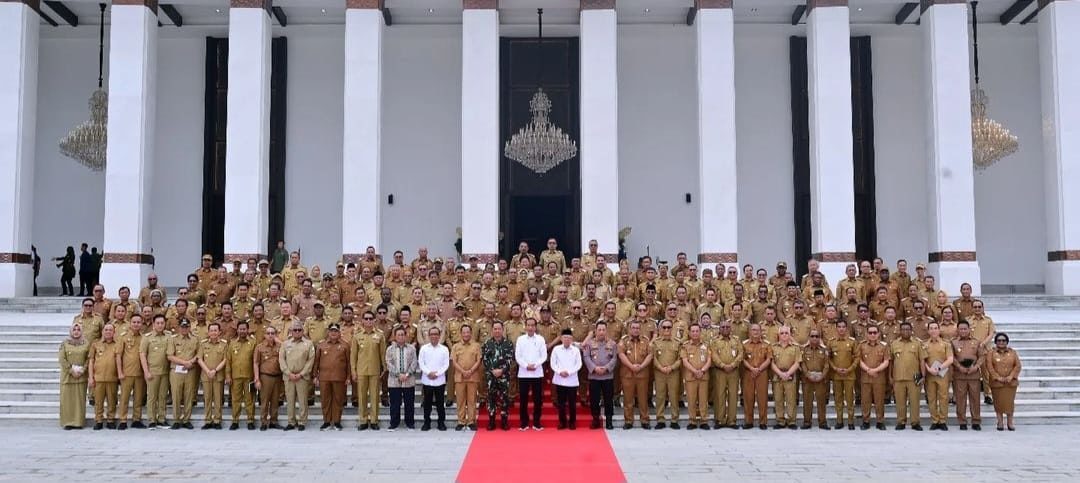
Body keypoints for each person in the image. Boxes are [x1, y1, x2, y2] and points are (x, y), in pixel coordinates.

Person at [351, 310, 386, 430]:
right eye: (366, 319)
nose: (368, 321)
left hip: (375, 370)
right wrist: (353, 371)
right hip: (361, 370)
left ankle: (374, 420)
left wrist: (384, 368)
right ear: (362, 321)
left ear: (374, 320)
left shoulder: (380, 335)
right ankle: (363, 420)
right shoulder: (357, 336)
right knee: (362, 396)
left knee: (375, 396)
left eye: (371, 318)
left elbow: (382, 354)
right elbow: (353, 356)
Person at [890, 321, 927, 430]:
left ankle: (915, 422)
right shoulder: (894, 344)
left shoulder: (917, 343)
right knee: (900, 402)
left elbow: (922, 361)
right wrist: (890, 376)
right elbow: (891, 362)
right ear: (900, 331)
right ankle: (901, 422)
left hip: (914, 378)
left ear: (911, 331)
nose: (905, 331)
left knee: (914, 402)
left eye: (908, 329)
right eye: (903, 329)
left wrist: (923, 376)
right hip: (898, 377)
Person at [952, 320, 988, 430]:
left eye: (965, 329)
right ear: (957, 330)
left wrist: (976, 367)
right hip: (959, 374)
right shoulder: (953, 342)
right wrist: (959, 367)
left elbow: (982, 356)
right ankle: (962, 421)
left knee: (975, 399)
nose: (963, 331)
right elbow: (951, 357)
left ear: (969, 329)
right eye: (961, 329)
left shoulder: (976, 342)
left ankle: (976, 421)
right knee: (960, 399)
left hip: (974, 374)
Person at [314, 323, 350, 431]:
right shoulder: (321, 345)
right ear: (328, 332)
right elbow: (316, 362)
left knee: (338, 400)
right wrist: (315, 376)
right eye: (331, 331)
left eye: (335, 331)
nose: (333, 333)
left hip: (339, 377)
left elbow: (349, 363)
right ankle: (326, 421)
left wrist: (348, 377)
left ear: (339, 333)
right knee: (325, 400)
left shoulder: (345, 345)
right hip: (324, 377)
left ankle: (337, 421)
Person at [617, 320, 652, 429]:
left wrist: (641, 366)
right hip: (628, 374)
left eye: (637, 328)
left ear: (640, 329)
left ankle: (645, 420)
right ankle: (628, 420)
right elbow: (621, 354)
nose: (636, 330)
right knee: (628, 399)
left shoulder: (646, 341)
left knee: (643, 398)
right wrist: (631, 366)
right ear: (629, 329)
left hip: (642, 374)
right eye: (633, 328)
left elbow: (650, 355)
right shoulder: (624, 341)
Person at [280, 321, 315, 431]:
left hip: (302, 377)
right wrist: (288, 373)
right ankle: (291, 421)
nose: (297, 332)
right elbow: (281, 359)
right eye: (295, 330)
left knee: (302, 400)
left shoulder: (308, 344)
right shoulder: (285, 344)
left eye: (299, 330)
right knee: (290, 400)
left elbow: (310, 360)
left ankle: (302, 422)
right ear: (291, 331)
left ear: (303, 331)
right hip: (289, 376)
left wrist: (301, 374)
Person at [584, 321, 618, 430]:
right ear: (595, 331)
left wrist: (607, 368)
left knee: (608, 399)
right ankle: (595, 420)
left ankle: (609, 421)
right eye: (599, 330)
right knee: (594, 400)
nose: (601, 332)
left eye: (603, 330)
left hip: (607, 376)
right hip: (594, 377)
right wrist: (594, 368)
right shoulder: (589, 344)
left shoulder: (612, 344)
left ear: (606, 331)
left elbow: (614, 358)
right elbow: (586, 357)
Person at [709, 320, 743, 429]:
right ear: (719, 329)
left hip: (733, 371)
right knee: (719, 395)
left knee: (733, 396)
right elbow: (713, 355)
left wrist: (733, 365)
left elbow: (740, 354)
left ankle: (732, 421)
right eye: (722, 327)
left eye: (727, 327)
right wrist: (722, 365)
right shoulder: (714, 341)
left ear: (731, 328)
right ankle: (720, 420)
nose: (725, 329)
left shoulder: (736, 341)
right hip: (720, 371)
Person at [515, 317, 547, 430]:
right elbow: (517, 356)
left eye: (532, 325)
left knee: (538, 399)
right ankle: (524, 422)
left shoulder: (540, 339)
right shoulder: (520, 339)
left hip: (537, 373)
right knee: (523, 399)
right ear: (525, 326)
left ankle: (536, 422)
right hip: (523, 373)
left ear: (535, 327)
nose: (530, 327)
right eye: (528, 325)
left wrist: (535, 364)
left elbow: (544, 356)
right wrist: (526, 365)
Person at [139, 314, 171, 428]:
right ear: (153, 324)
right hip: (152, 371)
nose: (160, 325)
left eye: (162, 323)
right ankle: (152, 419)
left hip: (165, 371)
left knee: (162, 396)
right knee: (152, 396)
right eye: (158, 323)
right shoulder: (147, 337)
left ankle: (161, 418)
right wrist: (146, 371)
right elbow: (142, 355)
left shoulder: (169, 336)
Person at [482, 321, 514, 431]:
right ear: (492, 330)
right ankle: (491, 421)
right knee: (491, 398)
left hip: (504, 376)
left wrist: (501, 370)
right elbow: (485, 359)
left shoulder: (508, 343)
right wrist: (492, 370)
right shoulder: (487, 343)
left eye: (499, 329)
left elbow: (510, 359)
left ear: (502, 330)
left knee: (505, 398)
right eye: (495, 329)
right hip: (491, 376)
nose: (497, 331)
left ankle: (504, 421)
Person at [166, 320, 199, 429]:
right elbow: (170, 356)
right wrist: (185, 362)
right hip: (176, 370)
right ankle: (176, 419)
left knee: (188, 396)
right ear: (179, 327)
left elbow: (199, 354)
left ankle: (186, 419)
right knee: (176, 395)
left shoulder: (195, 339)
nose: (184, 329)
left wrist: (191, 362)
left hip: (190, 371)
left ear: (190, 327)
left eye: (186, 327)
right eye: (182, 327)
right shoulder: (173, 339)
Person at [857, 324, 890, 430]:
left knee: (879, 400)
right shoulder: (861, 345)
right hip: (865, 377)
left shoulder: (884, 346)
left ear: (878, 334)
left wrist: (875, 370)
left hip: (879, 377)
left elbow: (886, 361)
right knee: (865, 400)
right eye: (870, 333)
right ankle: (866, 421)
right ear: (866, 334)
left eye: (874, 333)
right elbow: (859, 360)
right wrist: (868, 370)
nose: (872, 335)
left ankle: (880, 421)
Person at [226, 321, 258, 430]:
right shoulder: (232, 344)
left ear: (247, 330)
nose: (242, 331)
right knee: (236, 400)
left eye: (244, 329)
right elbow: (228, 361)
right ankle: (235, 420)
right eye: (240, 329)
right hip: (235, 377)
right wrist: (228, 376)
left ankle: (250, 420)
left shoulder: (253, 343)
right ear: (237, 330)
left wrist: (256, 377)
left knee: (250, 399)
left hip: (249, 376)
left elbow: (256, 361)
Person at [115, 315, 145, 429]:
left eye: (138, 322)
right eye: (134, 322)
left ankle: (136, 419)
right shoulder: (123, 337)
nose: (136, 324)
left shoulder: (144, 338)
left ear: (141, 323)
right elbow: (118, 356)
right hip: (126, 373)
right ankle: (123, 420)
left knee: (138, 398)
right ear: (130, 323)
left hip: (139, 373)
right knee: (124, 398)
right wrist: (120, 372)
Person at [651, 320, 682, 429]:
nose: (666, 329)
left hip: (673, 373)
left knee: (674, 396)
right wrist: (660, 368)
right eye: (664, 327)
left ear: (672, 328)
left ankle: (674, 419)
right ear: (660, 329)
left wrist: (671, 367)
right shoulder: (656, 343)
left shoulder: (678, 342)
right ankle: (660, 419)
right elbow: (653, 358)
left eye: (669, 327)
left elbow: (680, 359)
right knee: (660, 396)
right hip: (660, 373)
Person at [828, 319, 858, 430]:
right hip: (836, 375)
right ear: (836, 328)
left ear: (846, 328)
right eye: (839, 327)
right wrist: (835, 368)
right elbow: (829, 358)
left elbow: (857, 357)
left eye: (843, 327)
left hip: (849, 375)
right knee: (838, 399)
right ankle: (839, 421)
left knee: (850, 399)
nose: (841, 329)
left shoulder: (852, 342)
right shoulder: (831, 342)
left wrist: (850, 369)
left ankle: (850, 421)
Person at [385, 327, 418, 430]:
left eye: (402, 334)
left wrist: (407, 374)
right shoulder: (390, 349)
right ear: (395, 336)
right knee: (395, 403)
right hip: (394, 381)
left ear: (406, 336)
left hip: (408, 380)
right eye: (398, 335)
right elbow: (388, 363)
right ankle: (394, 423)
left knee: (409, 403)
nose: (400, 337)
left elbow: (414, 362)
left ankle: (410, 423)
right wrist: (398, 375)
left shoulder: (411, 348)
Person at [59, 323, 90, 429]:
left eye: (78, 329)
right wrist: (71, 371)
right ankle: (68, 422)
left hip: (81, 376)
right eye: (74, 329)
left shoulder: (86, 343)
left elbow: (88, 358)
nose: (76, 331)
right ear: (70, 331)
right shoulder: (65, 343)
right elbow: (62, 359)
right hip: (68, 376)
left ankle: (78, 422)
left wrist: (83, 370)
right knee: (67, 400)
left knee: (79, 400)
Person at [197, 322, 228, 430]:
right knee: (207, 398)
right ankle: (208, 420)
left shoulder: (224, 344)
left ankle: (217, 420)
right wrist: (207, 370)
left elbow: (225, 359)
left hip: (218, 375)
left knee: (218, 399)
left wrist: (215, 370)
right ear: (208, 332)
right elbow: (199, 359)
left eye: (216, 330)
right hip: (206, 375)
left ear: (219, 332)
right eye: (211, 330)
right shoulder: (203, 344)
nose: (213, 332)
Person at [988, 332, 1021, 431]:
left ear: (1007, 342)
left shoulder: (1013, 352)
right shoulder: (991, 353)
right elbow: (989, 367)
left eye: (1003, 340)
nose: (1001, 342)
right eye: (999, 340)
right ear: (995, 342)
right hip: (997, 383)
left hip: (1010, 383)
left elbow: (1018, 365)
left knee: (1009, 403)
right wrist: (998, 377)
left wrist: (1011, 376)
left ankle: (1010, 422)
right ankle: (1000, 422)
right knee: (998, 403)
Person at [450, 324, 481, 431]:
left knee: (472, 400)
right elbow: (454, 361)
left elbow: (478, 360)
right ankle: (461, 421)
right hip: (460, 376)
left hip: (473, 376)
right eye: (464, 332)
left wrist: (471, 371)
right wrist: (463, 371)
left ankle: (471, 421)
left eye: (468, 332)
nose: (466, 334)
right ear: (461, 333)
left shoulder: (476, 346)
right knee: (460, 400)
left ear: (471, 333)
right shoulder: (455, 347)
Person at [418, 327, 450, 431]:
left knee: (440, 403)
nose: (434, 336)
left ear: (439, 335)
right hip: (427, 380)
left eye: (436, 334)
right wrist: (428, 372)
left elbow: (446, 364)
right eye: (432, 334)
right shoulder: (424, 348)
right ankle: (427, 422)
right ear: (429, 335)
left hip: (439, 380)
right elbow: (421, 363)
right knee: (427, 403)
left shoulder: (444, 349)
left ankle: (441, 422)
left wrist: (438, 373)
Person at [924, 322, 954, 430]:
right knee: (931, 398)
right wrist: (929, 369)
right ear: (928, 331)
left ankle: (942, 420)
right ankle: (934, 420)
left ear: (939, 330)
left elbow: (950, 359)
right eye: (931, 328)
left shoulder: (946, 344)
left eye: (935, 328)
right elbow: (922, 360)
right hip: (930, 375)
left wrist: (939, 368)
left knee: (943, 397)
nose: (933, 330)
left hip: (942, 374)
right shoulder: (924, 344)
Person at [680, 323, 710, 430]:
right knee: (691, 399)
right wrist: (694, 371)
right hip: (690, 376)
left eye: (697, 331)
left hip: (703, 376)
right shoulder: (685, 346)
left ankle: (703, 420)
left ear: (700, 332)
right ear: (689, 332)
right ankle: (692, 420)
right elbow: (685, 361)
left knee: (703, 400)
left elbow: (709, 360)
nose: (695, 333)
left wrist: (702, 370)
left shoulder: (706, 345)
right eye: (693, 331)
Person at [770, 325, 801, 430]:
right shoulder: (773, 347)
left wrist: (788, 374)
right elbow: (772, 363)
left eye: (786, 333)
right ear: (778, 335)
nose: (784, 335)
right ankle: (780, 420)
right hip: (777, 376)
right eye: (782, 333)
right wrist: (780, 374)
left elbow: (797, 363)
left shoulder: (795, 347)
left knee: (791, 399)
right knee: (778, 399)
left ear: (790, 335)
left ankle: (791, 421)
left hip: (790, 376)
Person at [551, 328, 582, 430]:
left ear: (572, 339)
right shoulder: (556, 349)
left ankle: (572, 422)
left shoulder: (576, 350)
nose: (567, 340)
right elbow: (553, 364)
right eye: (565, 337)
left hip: (572, 380)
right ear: (561, 338)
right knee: (561, 403)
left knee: (572, 403)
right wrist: (560, 372)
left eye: (569, 338)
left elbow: (579, 364)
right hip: (560, 380)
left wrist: (569, 372)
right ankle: (562, 422)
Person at [742, 323, 772, 430]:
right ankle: (748, 421)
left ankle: (763, 421)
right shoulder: (744, 344)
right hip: (748, 372)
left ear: (761, 331)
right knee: (748, 397)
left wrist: (759, 369)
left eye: (757, 330)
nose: (755, 332)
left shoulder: (767, 344)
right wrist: (751, 368)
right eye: (753, 330)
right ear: (749, 332)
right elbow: (743, 358)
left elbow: (768, 359)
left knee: (762, 397)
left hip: (762, 372)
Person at [254, 326, 283, 430]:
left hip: (277, 377)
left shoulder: (280, 346)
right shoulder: (259, 347)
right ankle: (264, 421)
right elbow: (256, 363)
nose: (270, 335)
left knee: (275, 401)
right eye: (268, 333)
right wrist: (257, 379)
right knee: (265, 401)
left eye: (272, 333)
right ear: (265, 335)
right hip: (265, 376)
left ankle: (274, 421)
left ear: (275, 335)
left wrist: (278, 341)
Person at [800, 329, 830, 430]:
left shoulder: (824, 350)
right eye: (812, 336)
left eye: (817, 336)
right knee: (807, 401)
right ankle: (807, 422)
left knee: (821, 401)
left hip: (820, 379)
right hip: (808, 379)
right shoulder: (804, 349)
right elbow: (802, 363)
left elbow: (826, 365)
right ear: (809, 338)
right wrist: (808, 375)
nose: (814, 338)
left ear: (819, 338)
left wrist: (822, 376)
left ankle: (822, 422)